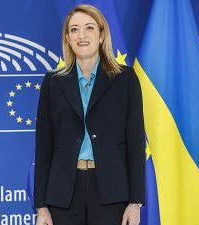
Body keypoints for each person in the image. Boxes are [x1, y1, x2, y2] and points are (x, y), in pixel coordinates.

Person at [34, 4, 145, 225]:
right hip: (63, 194)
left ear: (102, 35)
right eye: (74, 29)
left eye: (89, 28)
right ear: (67, 37)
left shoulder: (125, 80)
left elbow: (135, 143)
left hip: (111, 194)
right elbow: (43, 147)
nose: (81, 35)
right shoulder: (52, 82)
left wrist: (135, 202)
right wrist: (41, 206)